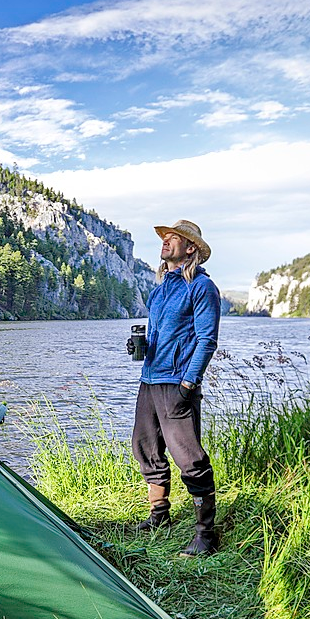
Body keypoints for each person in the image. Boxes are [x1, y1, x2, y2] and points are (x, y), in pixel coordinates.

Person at [126, 219, 221, 556]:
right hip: (150, 380)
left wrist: (188, 382)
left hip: (177, 383)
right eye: (164, 238)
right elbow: (163, 334)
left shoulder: (201, 287)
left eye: (173, 239)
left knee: (188, 457)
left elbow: (207, 340)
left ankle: (206, 535)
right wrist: (140, 345)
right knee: (145, 447)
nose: (165, 243)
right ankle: (158, 516)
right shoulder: (161, 288)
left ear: (190, 247)